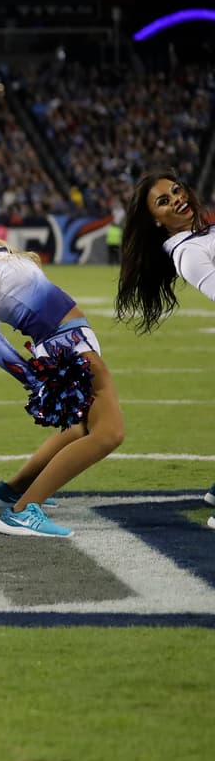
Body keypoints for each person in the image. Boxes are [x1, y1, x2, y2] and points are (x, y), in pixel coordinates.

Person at [0, 176, 124, 538]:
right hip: (65, 347)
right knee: (109, 434)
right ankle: (22, 511)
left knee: (79, 428)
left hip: (69, 339)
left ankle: (11, 491)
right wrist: (36, 381)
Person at [116, 168, 215, 529]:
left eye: (175, 190)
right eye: (164, 201)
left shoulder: (201, 234)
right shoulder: (188, 252)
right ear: (156, 220)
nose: (177, 199)